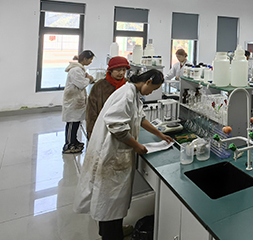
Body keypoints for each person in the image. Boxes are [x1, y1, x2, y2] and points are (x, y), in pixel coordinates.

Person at [74, 69, 173, 240]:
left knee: (112, 202)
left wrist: (160, 134)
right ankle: (111, 236)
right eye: (153, 89)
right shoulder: (126, 94)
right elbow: (117, 126)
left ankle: (112, 232)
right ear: (148, 82)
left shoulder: (133, 94)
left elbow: (140, 118)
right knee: (109, 200)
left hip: (115, 154)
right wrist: (136, 145)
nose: (152, 93)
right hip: (110, 154)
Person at [86, 56, 130, 138]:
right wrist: (91, 132)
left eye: (124, 70)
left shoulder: (128, 85)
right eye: (118, 70)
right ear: (110, 70)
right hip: (103, 127)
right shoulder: (99, 86)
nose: (121, 73)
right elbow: (91, 112)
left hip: (123, 128)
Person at [62, 50, 95, 154]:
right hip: (72, 101)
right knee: (72, 123)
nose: (90, 62)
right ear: (84, 59)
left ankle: (74, 141)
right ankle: (68, 146)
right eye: (90, 59)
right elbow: (81, 84)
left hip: (76, 100)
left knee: (76, 122)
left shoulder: (80, 69)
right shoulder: (75, 70)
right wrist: (89, 78)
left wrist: (88, 78)